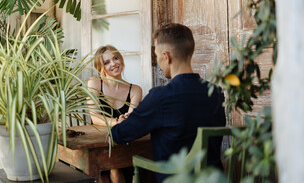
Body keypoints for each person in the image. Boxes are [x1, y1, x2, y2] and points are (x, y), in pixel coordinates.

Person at [111, 23, 226, 182]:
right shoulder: (216, 93)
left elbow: (120, 135)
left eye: (157, 55)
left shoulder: (161, 97)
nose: (158, 61)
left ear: (166, 56)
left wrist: (118, 124)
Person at [87, 45, 142, 183]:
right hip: (98, 145)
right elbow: (94, 117)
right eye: (107, 62)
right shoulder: (95, 83)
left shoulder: (135, 90)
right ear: (100, 67)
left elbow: (131, 119)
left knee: (115, 168)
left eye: (115, 58)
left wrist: (125, 121)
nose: (113, 64)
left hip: (123, 145)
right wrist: (117, 122)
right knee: (105, 171)